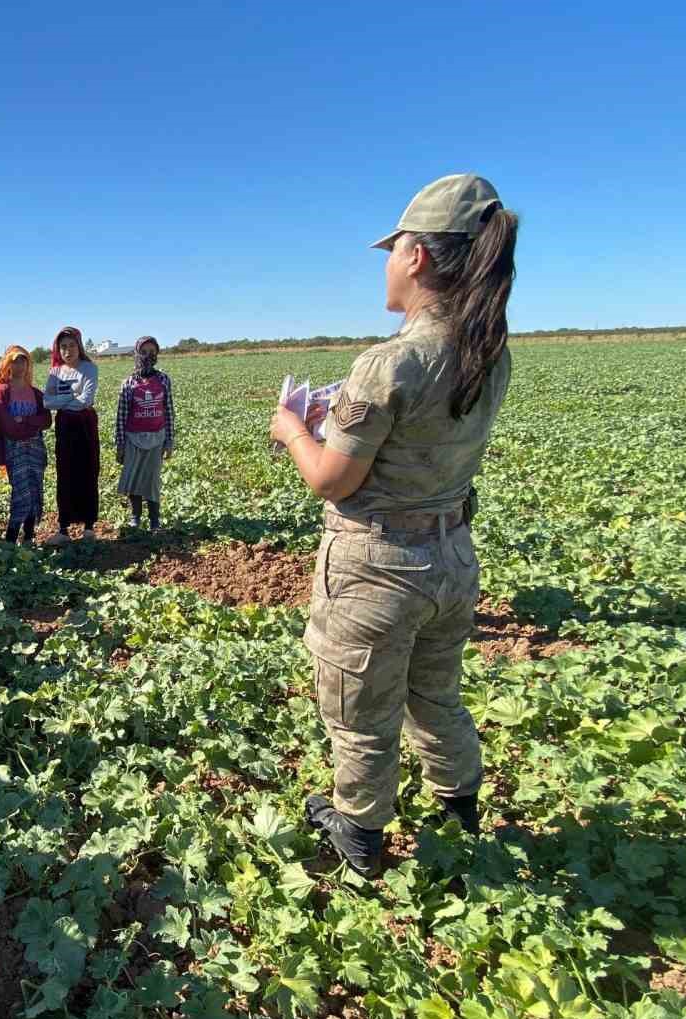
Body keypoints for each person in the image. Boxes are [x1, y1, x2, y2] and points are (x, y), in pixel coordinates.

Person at [269, 173, 518, 877]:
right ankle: (460, 809)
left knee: (361, 714)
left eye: (393, 248)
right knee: (436, 692)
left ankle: (360, 839)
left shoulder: (391, 362)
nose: (385, 261)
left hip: (378, 567)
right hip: (451, 556)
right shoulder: (489, 350)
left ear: (418, 257)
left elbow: (331, 478)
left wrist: (292, 430)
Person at [41, 326, 100, 545]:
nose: (67, 351)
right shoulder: (55, 372)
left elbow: (86, 399)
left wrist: (64, 401)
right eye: (63, 347)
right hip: (64, 426)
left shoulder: (89, 368)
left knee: (88, 471)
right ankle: (63, 529)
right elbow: (47, 402)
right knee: (65, 474)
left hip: (85, 425)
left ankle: (89, 526)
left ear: (79, 346)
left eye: (72, 346)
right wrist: (72, 398)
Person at [0, 345, 52, 544]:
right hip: (14, 449)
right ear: (7, 364)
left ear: (28, 364)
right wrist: (32, 424)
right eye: (15, 360)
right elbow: (8, 426)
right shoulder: (2, 391)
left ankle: (29, 536)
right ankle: (10, 538)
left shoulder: (36, 393)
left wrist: (24, 421)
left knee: (35, 490)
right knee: (21, 492)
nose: (19, 365)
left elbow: (47, 420)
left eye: (23, 360)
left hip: (35, 449)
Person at [115, 336, 176, 532]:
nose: (148, 356)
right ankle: (135, 518)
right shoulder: (128, 383)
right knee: (133, 480)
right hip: (133, 439)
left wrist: (169, 441)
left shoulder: (163, 380)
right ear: (136, 354)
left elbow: (168, 411)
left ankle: (154, 521)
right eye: (144, 352)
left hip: (156, 438)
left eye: (152, 352)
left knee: (151, 481)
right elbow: (121, 416)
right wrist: (120, 444)